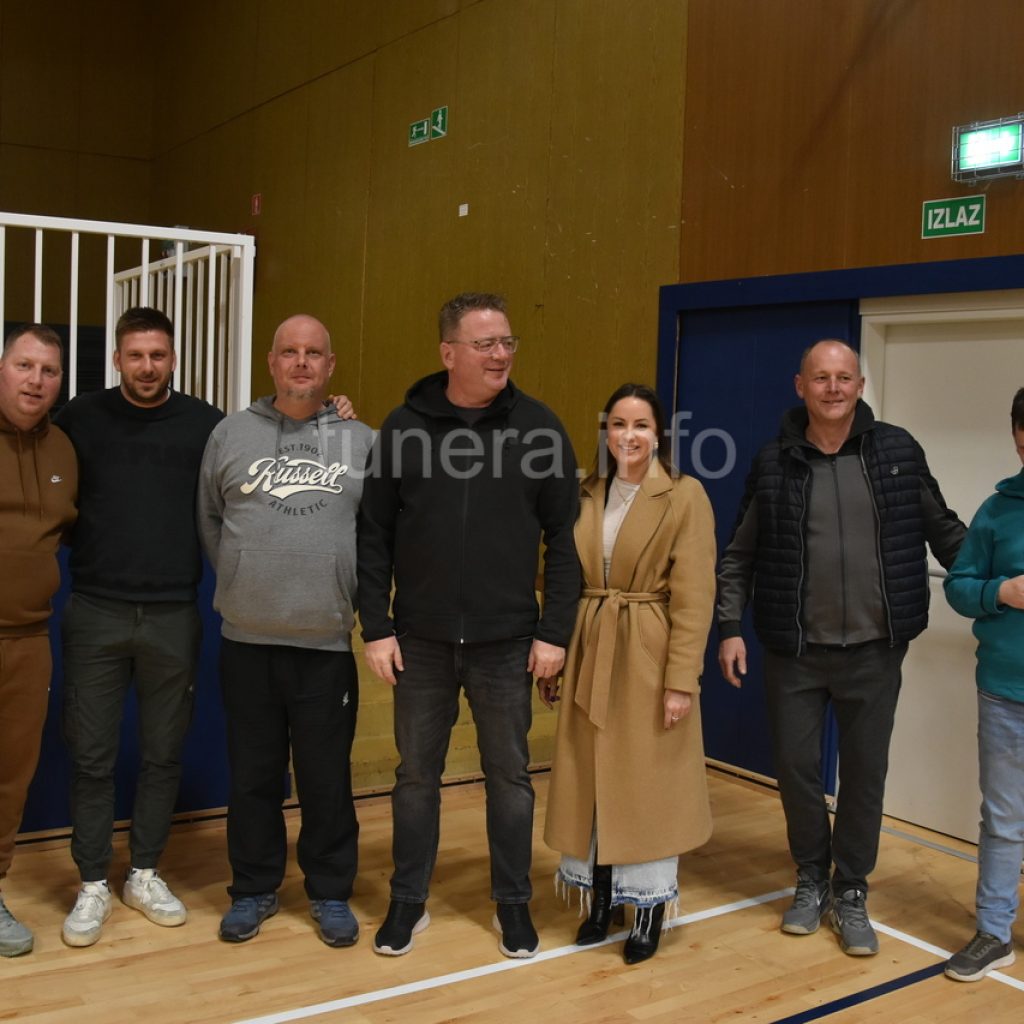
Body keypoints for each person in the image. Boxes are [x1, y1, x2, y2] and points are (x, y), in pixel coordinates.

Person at [716, 338, 965, 957]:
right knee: (798, 774)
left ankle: (850, 888)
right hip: (794, 653)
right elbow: (740, 554)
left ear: (860, 385)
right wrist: (728, 627)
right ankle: (810, 878)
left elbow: (945, 531)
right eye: (821, 378)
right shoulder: (773, 461)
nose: (833, 388)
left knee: (864, 777)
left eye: (844, 377)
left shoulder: (897, 451)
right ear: (800, 386)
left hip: (876, 652)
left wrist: (993, 579)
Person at [358, 291, 580, 959]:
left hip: (507, 642)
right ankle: (408, 899)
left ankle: (513, 904)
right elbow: (373, 533)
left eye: (508, 342)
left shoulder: (540, 428)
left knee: (509, 779)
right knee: (414, 779)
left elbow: (565, 540)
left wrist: (554, 632)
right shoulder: (403, 427)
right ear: (448, 352)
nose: (501, 354)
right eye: (485, 344)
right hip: (419, 640)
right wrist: (376, 626)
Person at [198, 314, 373, 948]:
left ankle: (329, 891)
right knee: (253, 778)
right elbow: (210, 520)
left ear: (330, 365)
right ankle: (253, 888)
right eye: (290, 352)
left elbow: (377, 535)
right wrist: (245, 579)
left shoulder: (362, 441)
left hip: (324, 643)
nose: (301, 362)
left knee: (327, 781)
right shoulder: (230, 434)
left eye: (313, 353)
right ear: (271, 362)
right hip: (246, 642)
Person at [54, 307, 224, 947]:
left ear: (173, 358)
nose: (147, 367)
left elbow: (264, 454)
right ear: (117, 359)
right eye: (135, 355)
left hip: (173, 613)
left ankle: (144, 873)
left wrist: (332, 416)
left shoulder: (207, 424)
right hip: (95, 611)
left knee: (162, 752)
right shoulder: (79, 418)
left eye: (158, 355)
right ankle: (92, 881)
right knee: (91, 756)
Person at [540, 383, 716, 965]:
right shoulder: (586, 492)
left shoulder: (685, 495)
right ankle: (600, 899)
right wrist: (557, 651)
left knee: (647, 783)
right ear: (605, 431)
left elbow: (695, 596)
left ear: (659, 433)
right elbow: (563, 575)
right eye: (618, 424)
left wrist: (680, 680)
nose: (629, 435)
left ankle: (647, 909)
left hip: (648, 651)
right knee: (590, 777)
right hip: (590, 642)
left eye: (641, 424)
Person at [942, 386, 1024, 982]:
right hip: (1004, 694)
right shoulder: (996, 511)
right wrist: (1002, 592)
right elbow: (958, 586)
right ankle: (994, 932)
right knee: (1003, 818)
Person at [0, 325, 77, 957]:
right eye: (24, 365)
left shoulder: (64, 449)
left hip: (28, 640)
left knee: (9, 778)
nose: (36, 380)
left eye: (49, 370)